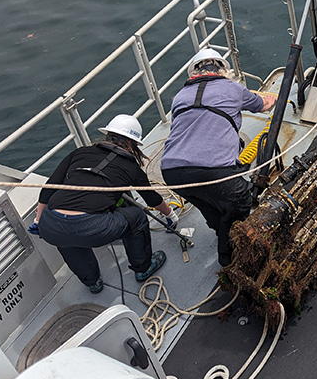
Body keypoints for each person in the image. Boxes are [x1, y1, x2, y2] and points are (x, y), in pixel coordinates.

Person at [160, 48, 277, 267]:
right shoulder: (232, 88)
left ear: (193, 73)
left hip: (172, 171)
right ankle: (228, 254)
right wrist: (269, 97)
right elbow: (263, 106)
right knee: (241, 198)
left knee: (207, 202)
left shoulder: (179, 96)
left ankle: (220, 230)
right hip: (212, 169)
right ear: (223, 71)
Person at [36, 114, 173, 293]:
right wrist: (170, 215)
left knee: (66, 237)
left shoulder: (79, 153)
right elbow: (152, 199)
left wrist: (39, 221)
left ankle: (92, 281)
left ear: (108, 135)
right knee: (137, 217)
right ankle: (143, 268)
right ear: (133, 144)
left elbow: (48, 190)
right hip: (92, 228)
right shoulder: (132, 167)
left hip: (50, 224)